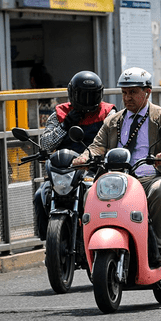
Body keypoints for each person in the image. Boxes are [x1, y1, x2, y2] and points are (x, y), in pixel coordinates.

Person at [72, 67, 161, 268]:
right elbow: (97, 146)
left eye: (133, 92)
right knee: (89, 195)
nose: (127, 98)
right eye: (124, 93)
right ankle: (90, 247)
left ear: (148, 92)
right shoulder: (113, 121)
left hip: (153, 177)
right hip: (119, 181)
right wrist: (84, 158)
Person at [32, 71, 116, 240]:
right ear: (72, 94)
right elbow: (46, 144)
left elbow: (114, 142)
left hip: (95, 171)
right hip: (64, 171)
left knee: (98, 198)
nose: (86, 100)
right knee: (40, 195)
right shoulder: (60, 113)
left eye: (91, 96)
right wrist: (66, 124)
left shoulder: (108, 113)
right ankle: (48, 240)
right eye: (81, 95)